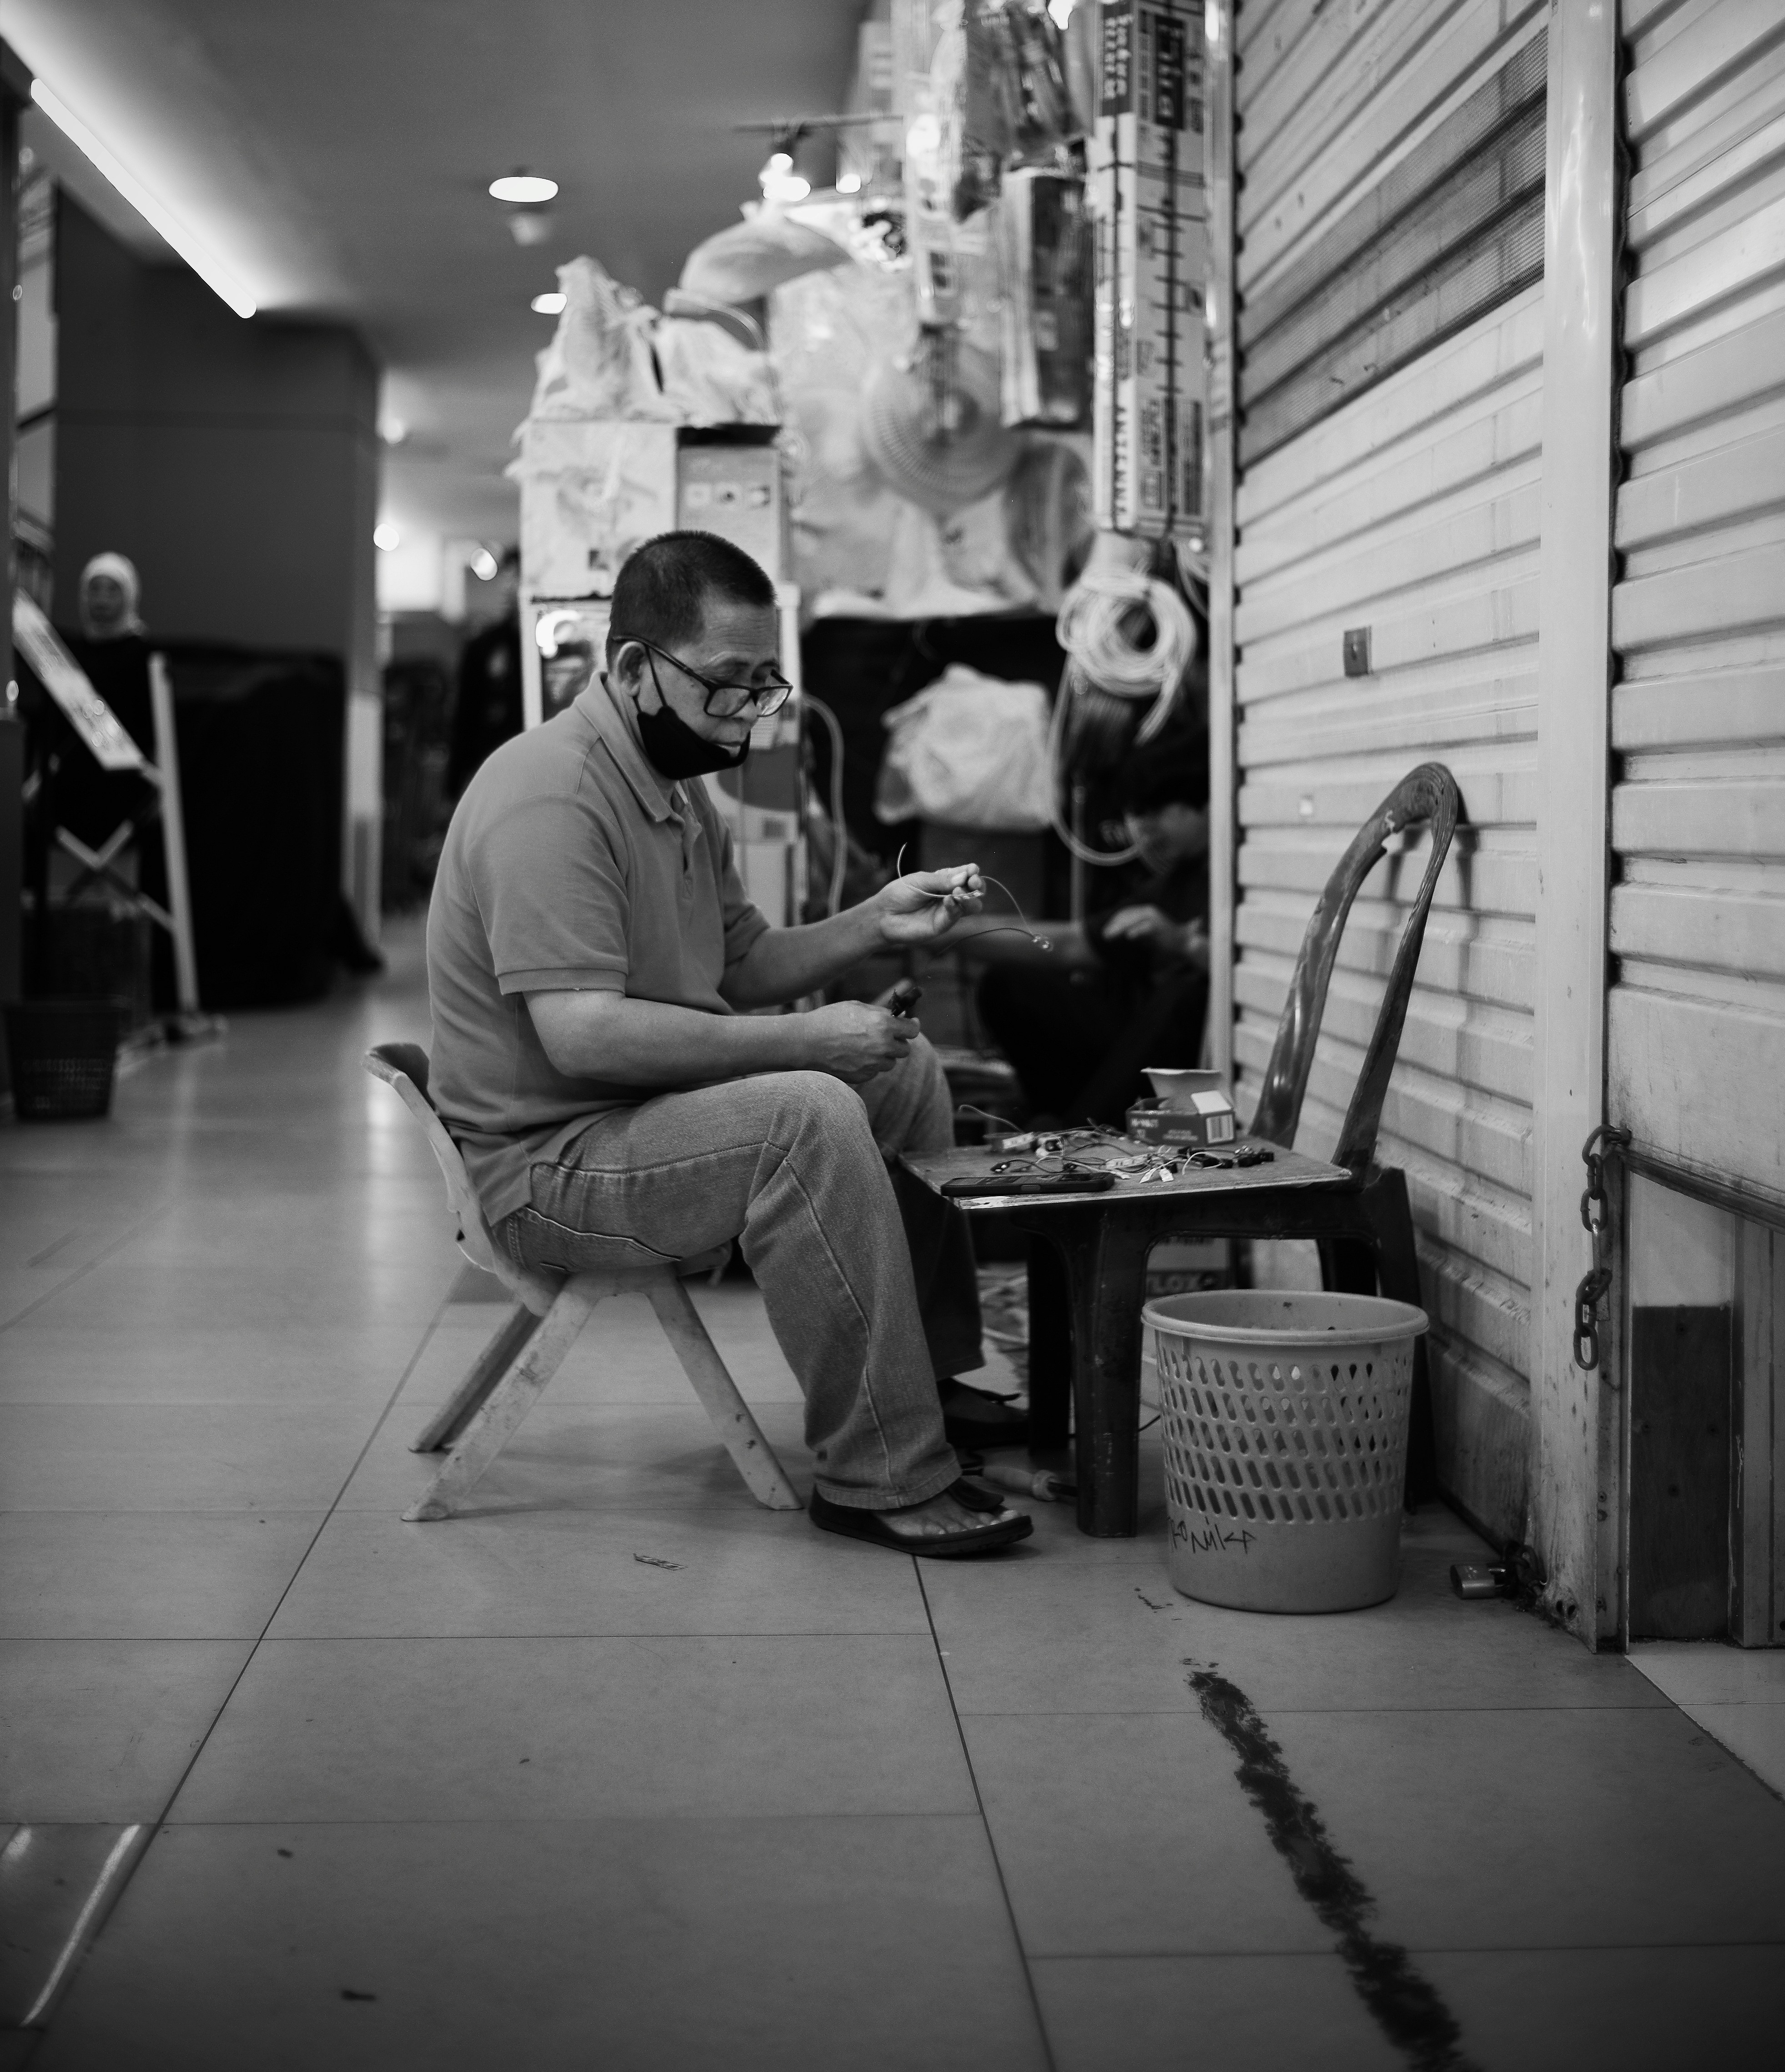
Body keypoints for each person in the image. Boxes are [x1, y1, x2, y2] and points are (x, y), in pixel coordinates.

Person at [427, 528, 1032, 1559]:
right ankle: (879, 1470)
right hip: (548, 1166)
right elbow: (579, 1035)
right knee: (809, 1113)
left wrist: (878, 919)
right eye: (726, 684)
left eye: (765, 683)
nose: (748, 713)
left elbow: (739, 961)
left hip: (625, 1124)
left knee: (904, 1070)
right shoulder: (551, 798)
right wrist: (799, 1048)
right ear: (629, 668)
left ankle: (922, 1377)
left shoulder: (669, 788)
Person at [976, 729, 1210, 1130]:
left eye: (1155, 812)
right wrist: (949, 933)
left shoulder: (1245, 866)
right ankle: (1058, 1117)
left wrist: (1186, 944)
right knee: (1009, 985)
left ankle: (1077, 1132)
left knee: (1185, 992)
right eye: (1137, 816)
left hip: (1192, 1063)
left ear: (1204, 801)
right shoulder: (1177, 882)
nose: (1144, 829)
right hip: (1138, 1049)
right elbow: (1071, 944)